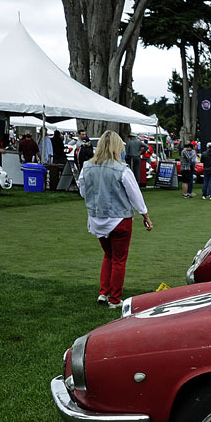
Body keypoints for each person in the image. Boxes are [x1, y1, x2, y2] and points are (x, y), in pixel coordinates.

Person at [77, 130, 153, 309]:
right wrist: (145, 215)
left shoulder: (87, 166)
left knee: (108, 255)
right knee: (119, 259)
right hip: (119, 219)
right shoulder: (122, 169)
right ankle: (115, 299)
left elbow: (82, 190)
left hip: (97, 218)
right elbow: (135, 195)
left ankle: (104, 292)